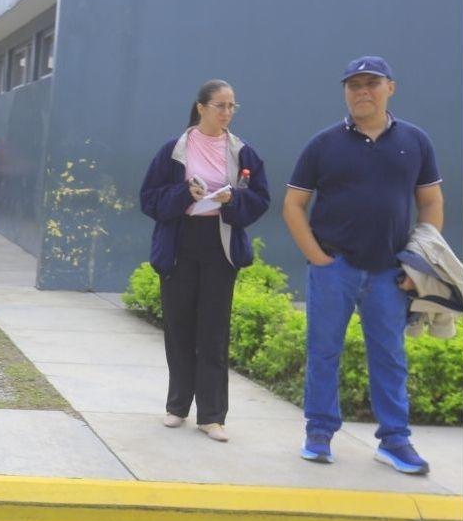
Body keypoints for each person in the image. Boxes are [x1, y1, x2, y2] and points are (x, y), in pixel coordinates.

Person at [283, 56, 444, 474]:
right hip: (335, 267)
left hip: (390, 273)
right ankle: (318, 433)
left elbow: (430, 203)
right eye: (354, 85)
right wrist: (317, 257)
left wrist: (418, 265)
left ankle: (395, 441)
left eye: (371, 83)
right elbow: (294, 205)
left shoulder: (415, 141)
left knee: (390, 356)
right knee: (323, 352)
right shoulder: (324, 143)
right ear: (345, 92)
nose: (362, 91)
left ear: (391, 87)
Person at [139, 79, 270, 442]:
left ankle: (212, 416)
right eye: (220, 106)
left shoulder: (243, 152)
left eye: (232, 106)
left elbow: (260, 199)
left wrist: (232, 201)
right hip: (180, 242)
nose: (227, 113)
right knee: (179, 327)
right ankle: (176, 406)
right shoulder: (173, 150)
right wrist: (184, 193)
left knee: (213, 330)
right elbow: (149, 199)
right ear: (201, 108)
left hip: (220, 244)